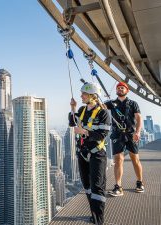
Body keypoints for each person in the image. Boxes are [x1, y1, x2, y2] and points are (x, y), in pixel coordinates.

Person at [69, 82, 111, 225]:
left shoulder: (103, 113)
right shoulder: (81, 110)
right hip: (83, 153)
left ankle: (99, 220)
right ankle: (94, 215)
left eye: (84, 94)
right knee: (87, 186)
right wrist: (73, 108)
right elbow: (72, 122)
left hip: (97, 154)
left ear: (92, 96)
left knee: (97, 187)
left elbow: (102, 134)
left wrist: (84, 132)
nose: (81, 96)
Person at [104, 81, 144, 197]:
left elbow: (138, 118)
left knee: (135, 158)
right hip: (117, 134)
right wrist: (97, 97)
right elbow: (101, 107)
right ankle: (118, 186)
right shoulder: (112, 103)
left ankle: (140, 182)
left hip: (131, 134)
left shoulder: (133, 103)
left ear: (127, 90)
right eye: (118, 88)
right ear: (116, 90)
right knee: (118, 159)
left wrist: (137, 132)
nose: (120, 89)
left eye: (122, 88)